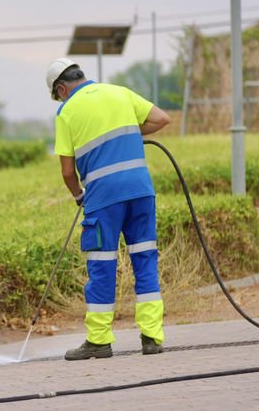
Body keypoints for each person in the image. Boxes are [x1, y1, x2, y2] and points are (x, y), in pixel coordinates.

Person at [46, 58, 171, 361]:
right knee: (145, 261)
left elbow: (66, 172)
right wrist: (128, 134)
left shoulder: (66, 112)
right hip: (142, 191)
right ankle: (152, 338)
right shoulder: (119, 92)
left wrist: (79, 196)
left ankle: (99, 341)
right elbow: (161, 119)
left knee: (102, 266)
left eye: (57, 96)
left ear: (62, 89)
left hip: (104, 199)